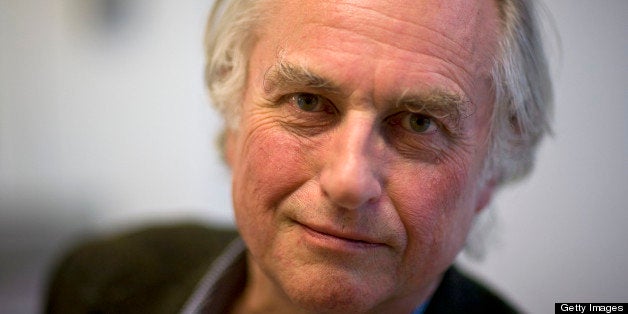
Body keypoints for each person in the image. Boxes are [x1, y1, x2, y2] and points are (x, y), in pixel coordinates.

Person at [46, 0, 552, 313]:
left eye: (420, 122)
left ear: (494, 168)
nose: (349, 180)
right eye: (307, 102)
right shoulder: (96, 282)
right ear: (231, 120)